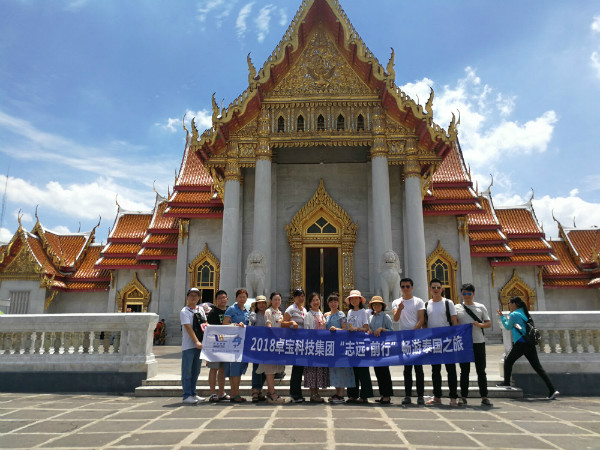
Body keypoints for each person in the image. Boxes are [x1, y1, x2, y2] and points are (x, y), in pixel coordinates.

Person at [497, 296, 559, 400]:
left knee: (508, 360)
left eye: (510, 303)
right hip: (530, 343)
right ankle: (552, 390)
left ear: (514, 304)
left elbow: (508, 327)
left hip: (521, 342)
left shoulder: (514, 314)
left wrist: (502, 317)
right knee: (538, 367)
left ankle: (506, 383)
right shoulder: (524, 313)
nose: (509, 305)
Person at [455, 283, 492, 406]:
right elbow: (454, 324)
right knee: (464, 371)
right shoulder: (457, 308)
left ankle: (484, 396)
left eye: (469, 293)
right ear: (461, 294)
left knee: (481, 370)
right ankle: (463, 396)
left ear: (473, 294)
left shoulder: (480, 307)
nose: (466, 296)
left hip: (478, 342)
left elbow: (488, 323)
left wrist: (479, 325)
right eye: (464, 293)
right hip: (464, 344)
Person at [425, 278, 459, 406]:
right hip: (434, 340)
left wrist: (454, 337)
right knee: (435, 370)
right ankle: (437, 396)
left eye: (438, 287)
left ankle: (453, 397)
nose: (436, 290)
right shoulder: (427, 304)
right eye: (433, 287)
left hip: (447, 339)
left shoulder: (448, 303)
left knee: (450, 369)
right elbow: (426, 323)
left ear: (442, 289)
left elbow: (454, 320)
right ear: (430, 289)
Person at [392, 277, 426, 405]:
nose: (405, 289)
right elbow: (395, 319)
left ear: (412, 287)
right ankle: (407, 395)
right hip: (404, 337)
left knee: (418, 368)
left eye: (407, 286)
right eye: (403, 286)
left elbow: (421, 319)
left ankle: (420, 395)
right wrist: (400, 309)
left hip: (416, 336)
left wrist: (414, 331)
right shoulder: (396, 302)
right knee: (407, 368)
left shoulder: (418, 301)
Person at [324, 292, 354, 404]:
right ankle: (337, 392)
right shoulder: (326, 315)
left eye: (335, 301)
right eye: (331, 301)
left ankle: (341, 394)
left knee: (341, 369)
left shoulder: (341, 314)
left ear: (338, 303)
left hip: (340, 345)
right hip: (330, 346)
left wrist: (336, 329)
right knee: (333, 370)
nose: (333, 303)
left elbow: (345, 329)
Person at [256, 291, 285, 403]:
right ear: (271, 301)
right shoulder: (269, 311)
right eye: (275, 299)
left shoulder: (280, 312)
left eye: (279, 299)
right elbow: (269, 326)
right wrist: (275, 337)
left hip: (278, 343)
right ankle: (272, 394)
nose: (277, 301)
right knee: (270, 369)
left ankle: (270, 392)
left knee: (274, 368)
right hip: (271, 343)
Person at [345, 289, 373, 404]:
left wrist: (356, 329)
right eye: (352, 298)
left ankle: (364, 395)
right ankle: (352, 394)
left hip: (361, 343)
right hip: (351, 343)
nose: (354, 300)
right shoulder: (349, 312)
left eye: (356, 298)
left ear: (360, 300)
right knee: (352, 371)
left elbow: (366, 328)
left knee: (363, 370)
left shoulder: (364, 312)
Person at [222, 288, 250, 403]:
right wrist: (236, 324)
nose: (242, 299)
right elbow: (225, 323)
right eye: (240, 297)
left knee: (239, 369)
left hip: (244, 343)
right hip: (233, 343)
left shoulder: (246, 311)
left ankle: (235, 393)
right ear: (236, 298)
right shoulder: (232, 309)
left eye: (244, 297)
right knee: (234, 368)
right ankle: (234, 393)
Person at [180, 287, 206, 404]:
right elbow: (188, 328)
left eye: (196, 295)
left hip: (199, 345)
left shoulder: (201, 310)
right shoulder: (184, 311)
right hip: (189, 345)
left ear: (199, 297)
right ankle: (187, 395)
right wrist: (196, 341)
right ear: (187, 297)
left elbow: (205, 325)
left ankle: (193, 393)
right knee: (187, 371)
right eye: (191, 295)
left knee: (196, 371)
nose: (193, 297)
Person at [303, 292, 330, 403]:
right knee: (312, 370)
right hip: (312, 346)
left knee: (319, 370)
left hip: (322, 346)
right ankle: (313, 393)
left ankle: (317, 393)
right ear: (309, 303)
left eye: (317, 300)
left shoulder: (322, 314)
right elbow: (307, 331)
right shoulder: (308, 315)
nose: (316, 302)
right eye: (313, 300)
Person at [282, 287, 307, 403]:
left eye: (302, 296)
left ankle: (297, 393)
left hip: (303, 342)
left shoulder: (304, 310)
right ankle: (295, 394)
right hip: (295, 341)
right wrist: (291, 322)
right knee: (297, 368)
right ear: (294, 297)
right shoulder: (290, 309)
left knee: (300, 368)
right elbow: (283, 323)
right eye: (298, 296)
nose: (301, 298)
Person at [368, 295, 394, 404]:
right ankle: (382, 394)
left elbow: (391, 330)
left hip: (383, 347)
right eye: (374, 304)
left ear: (382, 306)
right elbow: (370, 329)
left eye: (378, 304)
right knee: (378, 372)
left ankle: (387, 395)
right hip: (374, 347)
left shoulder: (385, 317)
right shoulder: (371, 317)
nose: (376, 306)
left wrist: (382, 329)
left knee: (384, 372)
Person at [206, 289, 230, 403]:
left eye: (223, 297)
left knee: (223, 370)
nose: (222, 300)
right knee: (213, 368)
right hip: (215, 344)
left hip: (227, 344)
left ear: (227, 299)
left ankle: (221, 392)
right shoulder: (212, 312)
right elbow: (210, 330)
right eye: (219, 298)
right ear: (216, 300)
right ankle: (212, 393)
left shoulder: (230, 311)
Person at [249, 295, 268, 402]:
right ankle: (255, 390)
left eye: (263, 303)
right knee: (256, 367)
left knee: (265, 368)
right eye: (259, 303)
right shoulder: (254, 314)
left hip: (267, 344)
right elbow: (252, 321)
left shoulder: (268, 313)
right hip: (257, 344)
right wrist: (252, 310)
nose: (261, 305)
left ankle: (260, 389)